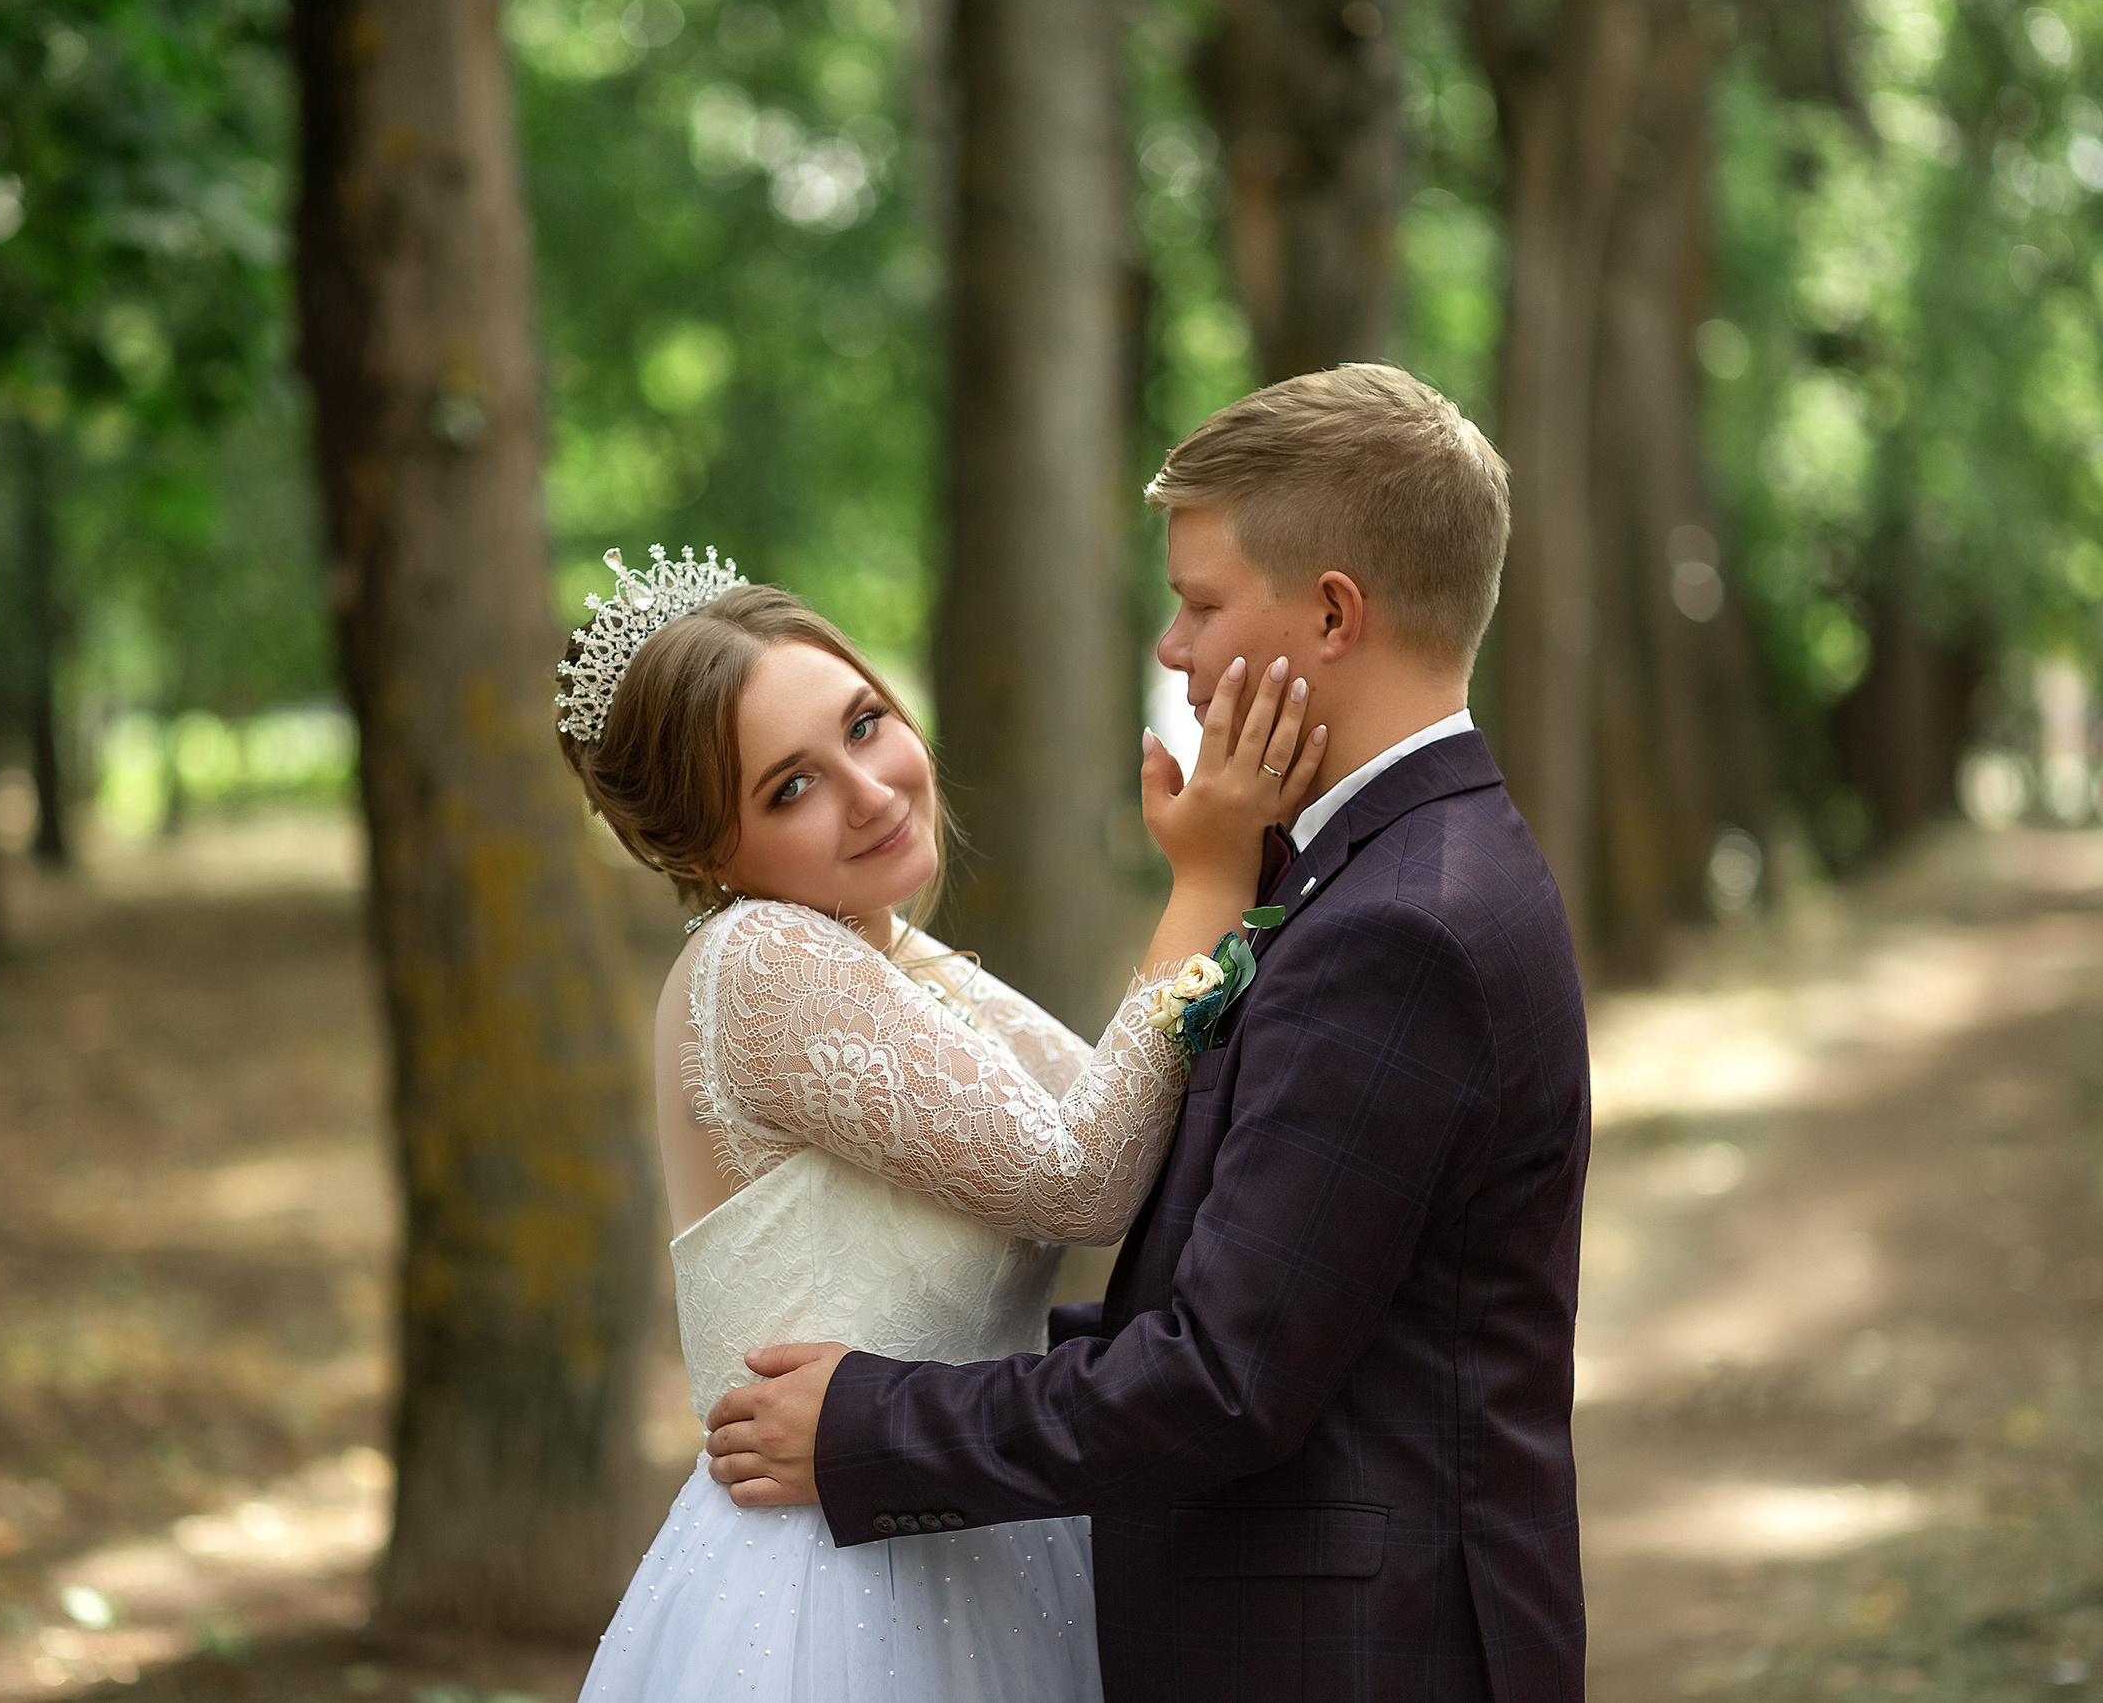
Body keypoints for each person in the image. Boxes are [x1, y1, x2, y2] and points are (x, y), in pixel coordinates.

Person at [706, 364, 1593, 1703]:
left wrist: (871, 1422)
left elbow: (1221, 1379)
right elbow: (1248, 1284)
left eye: (1201, 603)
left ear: (1333, 613)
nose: (1173, 648)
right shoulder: (1387, 868)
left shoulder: (1398, 926)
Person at [553, 545, 1327, 1702]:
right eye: (790, 788)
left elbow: (1129, 1116)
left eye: (864, 725)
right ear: (706, 851)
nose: (870, 792)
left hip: (968, 1523)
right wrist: (1207, 884)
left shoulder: (895, 955)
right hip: (833, 1593)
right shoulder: (760, 958)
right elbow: (1082, 1181)